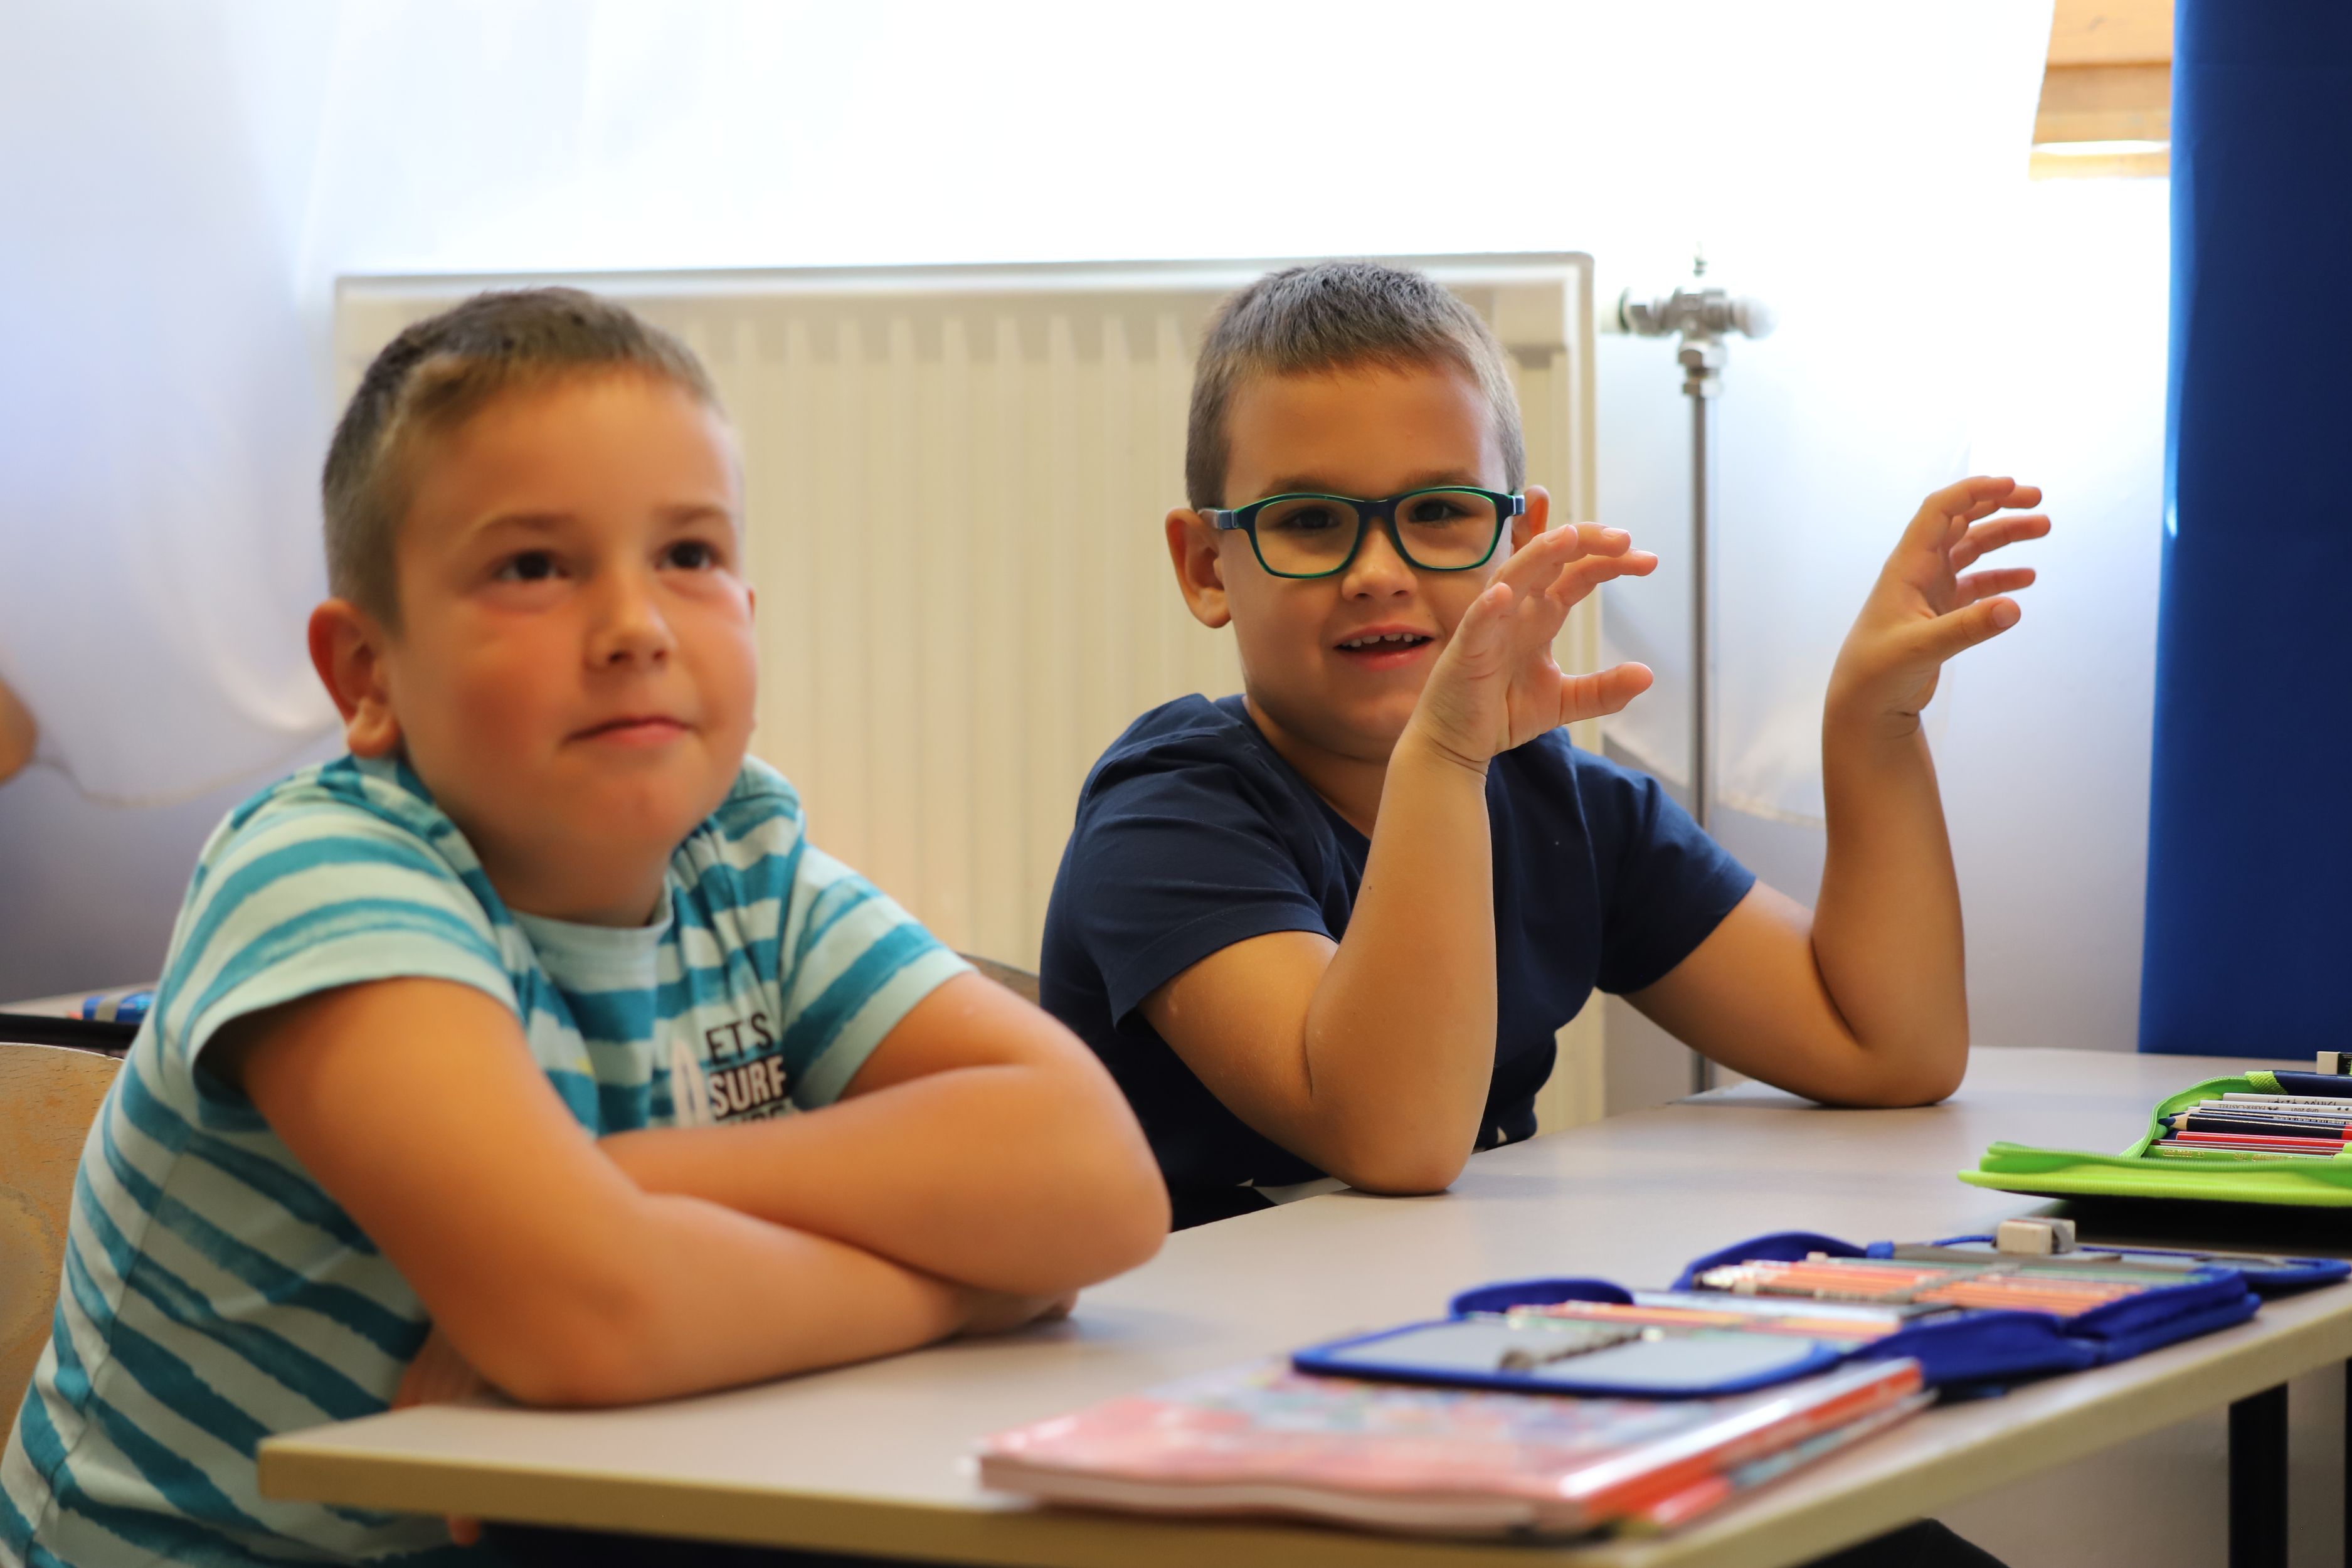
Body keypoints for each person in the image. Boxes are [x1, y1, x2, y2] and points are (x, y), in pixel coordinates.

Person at [1, 289, 1168, 1568]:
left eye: (689, 555)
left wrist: (627, 1188)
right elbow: (593, 1321)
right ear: (367, 676)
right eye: (533, 569)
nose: (635, 627)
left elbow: (1100, 1182)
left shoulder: (743, 855)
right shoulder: (320, 875)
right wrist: (979, 1286)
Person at [1041, 259, 2049, 1230]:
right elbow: (1395, 1139)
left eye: (1439, 511)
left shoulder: (1560, 804)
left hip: (1434, 1309)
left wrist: (1872, 725)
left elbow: (1889, 1051)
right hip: (1208, 1336)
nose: (1377, 571)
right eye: (1307, 520)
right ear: (1206, 566)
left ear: (1516, 538)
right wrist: (1443, 758)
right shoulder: (1165, 817)